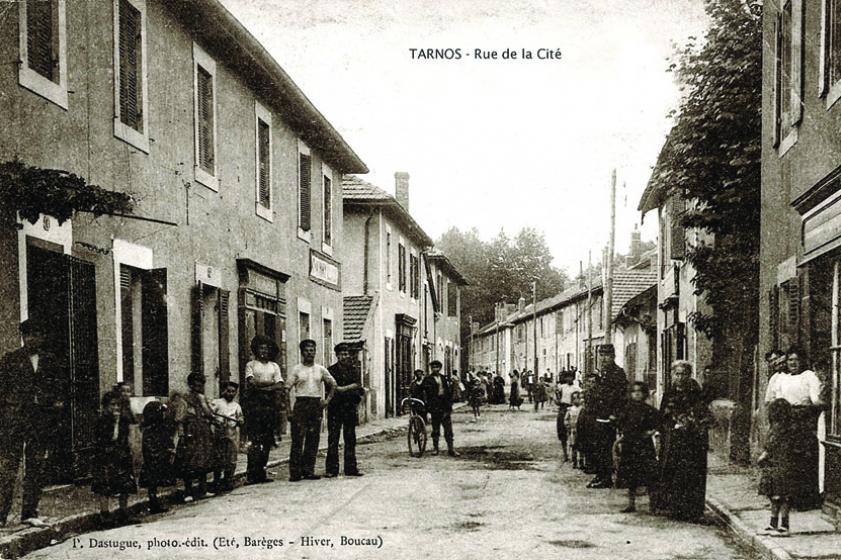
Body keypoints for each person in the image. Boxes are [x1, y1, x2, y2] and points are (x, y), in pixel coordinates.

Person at [0, 319, 66, 527]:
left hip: (40, 424)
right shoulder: (10, 360)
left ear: (42, 337)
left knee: (36, 466)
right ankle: (1, 515)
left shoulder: (51, 361)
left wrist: (52, 407)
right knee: (8, 467)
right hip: (15, 422)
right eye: (27, 335)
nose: (30, 339)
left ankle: (29, 512)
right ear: (22, 337)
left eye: (35, 334)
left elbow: (59, 393)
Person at [764, 347, 824, 510]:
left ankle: (804, 500)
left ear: (802, 361)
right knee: (785, 460)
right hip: (785, 420)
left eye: (796, 360)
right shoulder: (783, 378)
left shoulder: (809, 376)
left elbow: (815, 399)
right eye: (790, 360)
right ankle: (786, 499)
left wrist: (817, 403)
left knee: (802, 458)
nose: (793, 363)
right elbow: (776, 399)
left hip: (803, 419)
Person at [653, 360, 712, 522]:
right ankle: (676, 509)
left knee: (694, 475)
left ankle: (694, 511)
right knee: (675, 474)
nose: (680, 377)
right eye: (677, 374)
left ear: (689, 375)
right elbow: (662, 416)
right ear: (673, 375)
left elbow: (704, 415)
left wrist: (691, 422)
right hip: (674, 441)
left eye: (684, 374)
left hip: (693, 441)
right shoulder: (669, 394)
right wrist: (668, 427)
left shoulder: (696, 393)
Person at [287, 339, 336, 481]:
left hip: (315, 405)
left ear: (315, 352)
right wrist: (289, 410)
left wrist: (326, 401)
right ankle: (295, 473)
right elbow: (286, 389)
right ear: (302, 352)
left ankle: (308, 471)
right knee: (297, 439)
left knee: (313, 439)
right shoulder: (297, 369)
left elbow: (333, 384)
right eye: (307, 350)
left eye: (312, 350)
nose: (310, 353)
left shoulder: (320, 369)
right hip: (301, 404)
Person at [92, 391, 137, 526]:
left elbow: (126, 437)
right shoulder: (101, 421)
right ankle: (105, 515)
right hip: (106, 456)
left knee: (125, 484)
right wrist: (116, 424)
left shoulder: (123, 420)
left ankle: (124, 512)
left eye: (118, 405)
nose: (116, 408)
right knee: (104, 485)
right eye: (113, 405)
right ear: (106, 406)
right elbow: (108, 439)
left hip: (121, 455)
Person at [586, 345, 628, 489]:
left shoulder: (618, 373)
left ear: (613, 356)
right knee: (599, 446)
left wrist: (615, 414)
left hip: (610, 416)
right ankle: (601, 474)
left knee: (607, 447)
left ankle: (606, 477)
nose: (603, 358)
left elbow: (621, 396)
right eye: (601, 355)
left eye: (607, 355)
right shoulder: (602, 373)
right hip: (600, 415)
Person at [243, 335, 284, 484]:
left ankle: (261, 473)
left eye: (266, 349)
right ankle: (251, 473)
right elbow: (251, 382)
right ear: (256, 350)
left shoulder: (274, 366)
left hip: (269, 407)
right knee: (254, 440)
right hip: (255, 406)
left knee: (267, 441)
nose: (264, 351)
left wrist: (263, 388)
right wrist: (269, 387)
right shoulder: (251, 365)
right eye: (261, 348)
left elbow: (280, 385)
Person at [615, 382, 660, 513]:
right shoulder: (626, 409)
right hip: (630, 445)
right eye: (634, 391)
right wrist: (622, 435)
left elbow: (658, 423)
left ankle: (653, 505)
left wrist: (650, 432)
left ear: (644, 393)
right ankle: (631, 504)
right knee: (631, 476)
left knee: (649, 475)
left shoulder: (649, 409)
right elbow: (619, 422)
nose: (637, 394)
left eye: (640, 391)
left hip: (644, 445)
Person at [758, 399, 797, 536]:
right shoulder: (789, 427)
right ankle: (777, 524)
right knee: (781, 496)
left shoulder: (778, 428)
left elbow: (770, 444)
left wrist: (764, 455)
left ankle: (780, 525)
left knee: (778, 496)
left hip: (777, 465)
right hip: (781, 465)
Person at [174, 372, 215, 500]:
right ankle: (188, 492)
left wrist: (204, 403)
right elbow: (179, 419)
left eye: (201, 384)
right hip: (190, 433)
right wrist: (182, 435)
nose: (198, 387)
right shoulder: (184, 399)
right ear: (190, 385)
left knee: (204, 460)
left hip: (203, 433)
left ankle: (203, 490)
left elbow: (209, 414)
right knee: (188, 461)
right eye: (195, 385)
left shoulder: (203, 398)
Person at [326, 342, 364, 478]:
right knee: (333, 438)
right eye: (341, 354)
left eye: (346, 354)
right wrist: (350, 387)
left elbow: (358, 386)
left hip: (349, 408)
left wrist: (343, 389)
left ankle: (351, 468)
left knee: (350, 438)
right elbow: (330, 388)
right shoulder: (330, 371)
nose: (344, 356)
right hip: (335, 408)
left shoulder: (354, 370)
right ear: (336, 355)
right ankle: (331, 469)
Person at [139, 400, 176, 514]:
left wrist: (169, 449)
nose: (164, 415)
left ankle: (155, 502)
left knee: (155, 482)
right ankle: (153, 503)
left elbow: (167, 440)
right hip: (153, 460)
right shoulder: (149, 430)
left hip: (159, 458)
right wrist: (160, 454)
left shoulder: (161, 428)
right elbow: (148, 446)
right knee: (152, 483)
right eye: (161, 413)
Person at [211, 381, 244, 492]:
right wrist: (216, 422)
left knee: (231, 459)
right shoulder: (216, 403)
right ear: (224, 391)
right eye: (228, 391)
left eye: (233, 391)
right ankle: (216, 482)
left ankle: (228, 482)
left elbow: (241, 419)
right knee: (218, 459)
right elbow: (210, 416)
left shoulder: (236, 406)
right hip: (219, 434)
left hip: (232, 435)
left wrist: (239, 421)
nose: (231, 393)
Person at [422, 360, 459, 456]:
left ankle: (451, 449)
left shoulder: (444, 378)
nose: (435, 369)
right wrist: (428, 407)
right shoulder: (427, 379)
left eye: (437, 367)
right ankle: (435, 449)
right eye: (433, 367)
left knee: (448, 429)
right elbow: (424, 392)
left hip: (444, 405)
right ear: (431, 368)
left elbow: (448, 392)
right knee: (436, 429)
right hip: (435, 406)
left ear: (440, 368)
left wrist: (449, 405)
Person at [556, 371, 580, 462]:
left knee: (574, 431)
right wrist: (558, 401)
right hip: (563, 408)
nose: (569, 379)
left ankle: (574, 454)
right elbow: (557, 399)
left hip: (573, 409)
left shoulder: (577, 388)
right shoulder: (562, 387)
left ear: (573, 378)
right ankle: (565, 453)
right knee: (562, 431)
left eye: (571, 377)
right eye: (567, 377)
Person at [564, 391, 583, 468]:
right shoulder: (570, 409)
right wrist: (567, 426)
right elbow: (566, 419)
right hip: (573, 430)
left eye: (577, 398)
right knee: (573, 445)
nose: (576, 400)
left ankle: (581, 462)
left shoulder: (582, 409)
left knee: (581, 446)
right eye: (574, 398)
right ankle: (574, 461)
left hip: (581, 429)